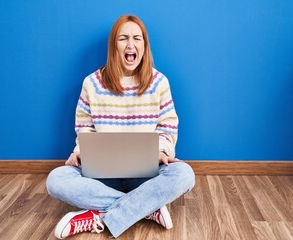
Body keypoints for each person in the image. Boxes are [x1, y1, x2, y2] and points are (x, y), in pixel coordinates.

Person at [46, 15, 195, 239]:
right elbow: (84, 128)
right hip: (102, 175)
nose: (130, 44)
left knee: (184, 174)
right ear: (114, 45)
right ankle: (145, 208)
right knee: (56, 180)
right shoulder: (92, 83)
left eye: (137, 38)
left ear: (144, 46)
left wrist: (162, 151)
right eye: (123, 38)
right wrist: (81, 151)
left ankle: (98, 216)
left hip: (146, 175)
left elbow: (167, 126)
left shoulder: (159, 82)